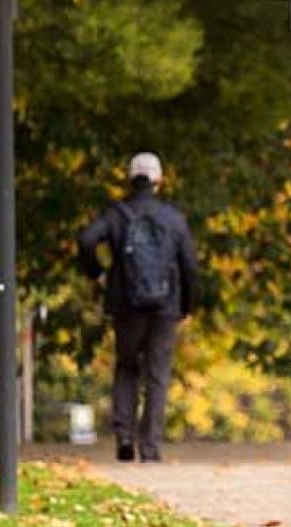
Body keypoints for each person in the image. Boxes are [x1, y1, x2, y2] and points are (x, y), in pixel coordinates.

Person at [77, 152, 200, 463]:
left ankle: (124, 437)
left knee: (127, 367)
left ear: (131, 178)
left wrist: (98, 272)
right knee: (157, 374)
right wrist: (186, 306)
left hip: (126, 302)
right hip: (165, 306)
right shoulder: (173, 218)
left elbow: (87, 240)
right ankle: (151, 446)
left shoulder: (117, 215)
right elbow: (190, 267)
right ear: (158, 180)